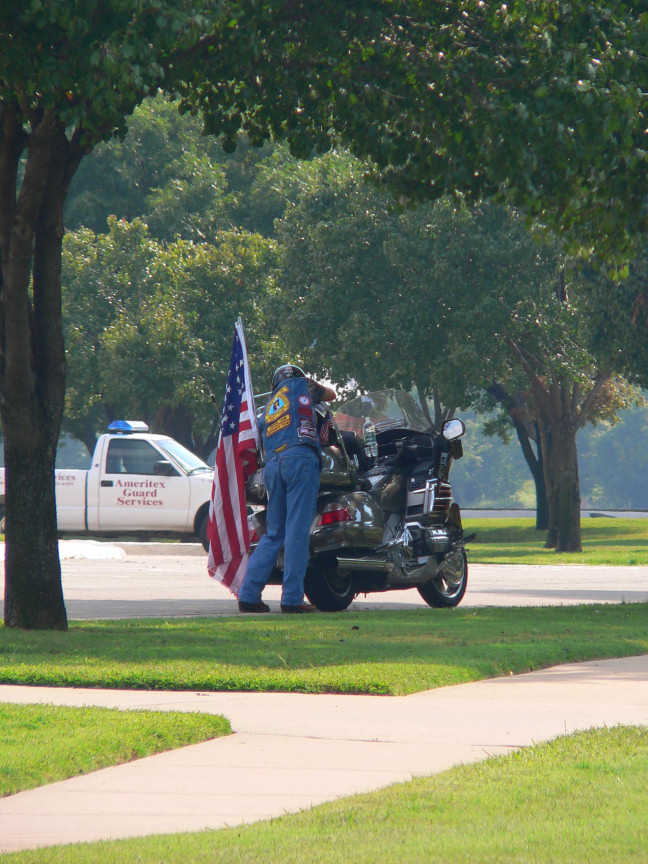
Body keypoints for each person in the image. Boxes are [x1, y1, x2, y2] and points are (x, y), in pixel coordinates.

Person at [237, 363, 336, 614]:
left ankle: (248, 595)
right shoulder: (302, 386)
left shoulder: (268, 407)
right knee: (297, 531)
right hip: (300, 460)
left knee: (274, 533)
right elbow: (332, 395)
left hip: (272, 467)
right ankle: (292, 599)